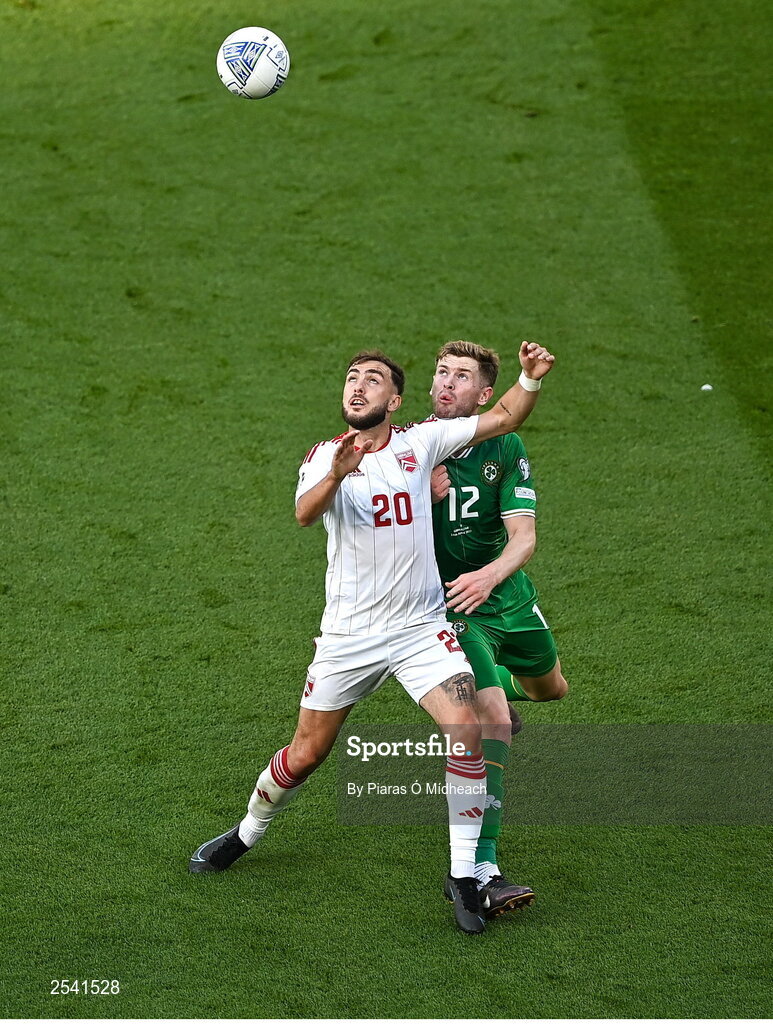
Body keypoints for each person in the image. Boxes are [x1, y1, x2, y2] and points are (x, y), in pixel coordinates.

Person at [189, 343, 555, 935]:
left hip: (418, 629)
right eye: (352, 379)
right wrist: (336, 474)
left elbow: (504, 417)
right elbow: (306, 515)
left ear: (395, 400)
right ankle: (245, 833)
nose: (357, 387)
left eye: (372, 380)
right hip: (348, 638)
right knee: (306, 754)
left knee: (467, 729)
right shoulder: (322, 457)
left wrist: (529, 379)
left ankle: (465, 876)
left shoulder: (419, 445)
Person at [428, 340, 568, 920]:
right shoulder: (413, 449)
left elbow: (525, 538)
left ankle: (499, 693)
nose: (447, 383)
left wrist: (489, 577)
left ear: (485, 395)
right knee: (489, 721)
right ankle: (481, 868)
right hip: (453, 607)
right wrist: (414, 494)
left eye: (462, 377)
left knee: (548, 690)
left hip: (505, 596)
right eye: (442, 372)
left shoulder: (506, 447)